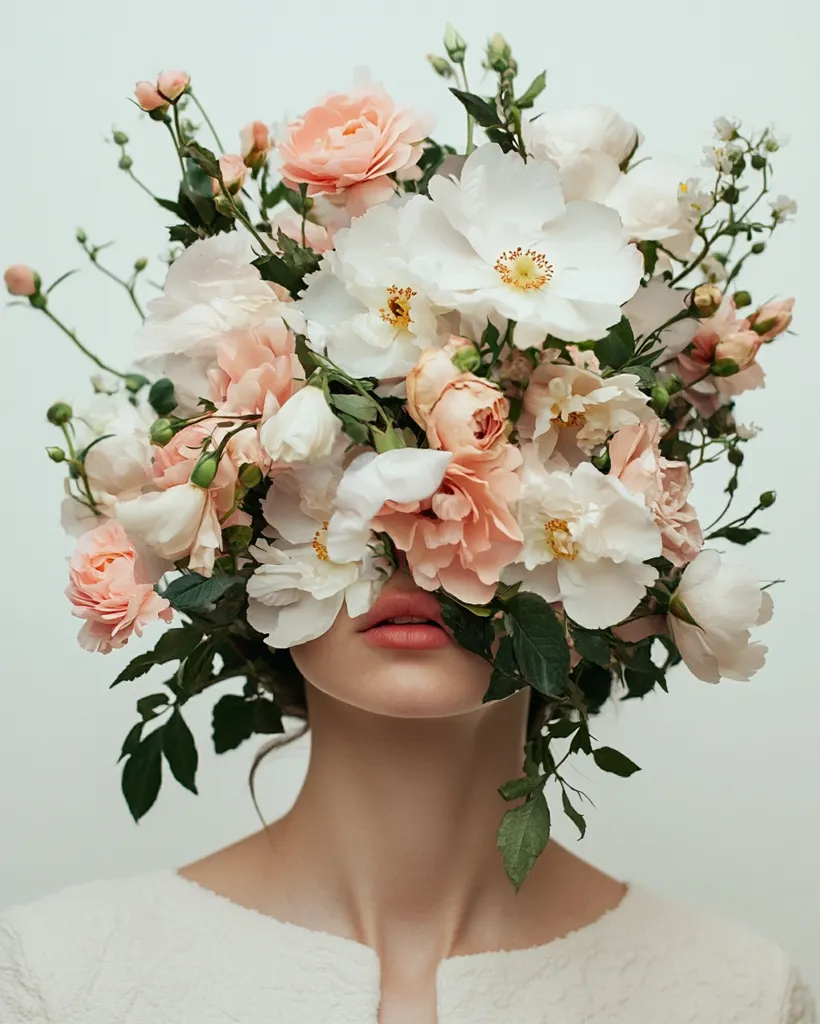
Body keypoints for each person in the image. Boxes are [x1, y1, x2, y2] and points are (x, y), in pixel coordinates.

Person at [0, 565, 814, 1023]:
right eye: (341, 470)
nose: (411, 543)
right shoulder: (63, 978)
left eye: (489, 471)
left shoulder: (738, 994)